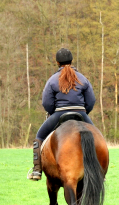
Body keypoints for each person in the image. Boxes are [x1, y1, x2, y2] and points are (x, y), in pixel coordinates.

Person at [27, 48, 96, 181]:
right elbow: (91, 101)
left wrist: (53, 112)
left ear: (57, 62)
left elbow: (47, 103)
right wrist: (84, 111)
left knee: (39, 136)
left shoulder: (52, 80)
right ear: (71, 60)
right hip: (81, 113)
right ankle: (98, 170)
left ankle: (37, 170)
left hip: (59, 114)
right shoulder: (83, 78)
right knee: (97, 137)